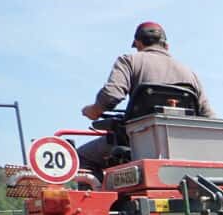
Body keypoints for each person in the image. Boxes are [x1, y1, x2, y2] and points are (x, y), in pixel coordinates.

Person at [78, 22, 215, 177]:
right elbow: (208, 117)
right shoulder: (189, 73)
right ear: (166, 46)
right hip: (182, 148)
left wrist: (94, 110)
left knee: (80, 157)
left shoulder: (129, 61)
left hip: (135, 145)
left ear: (138, 43)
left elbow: (111, 96)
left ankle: (104, 196)